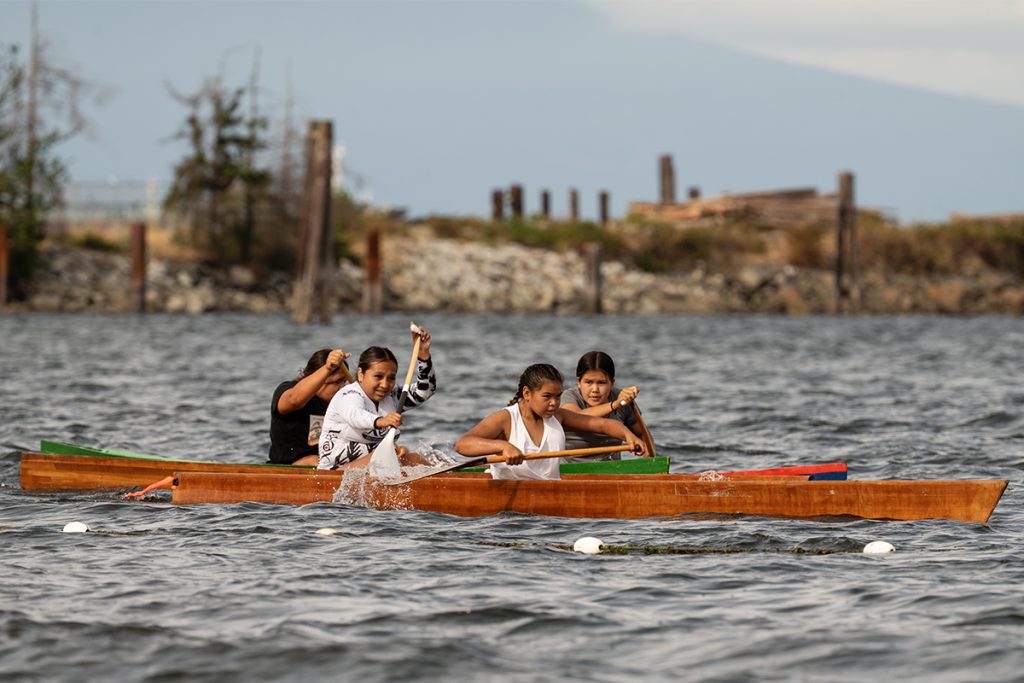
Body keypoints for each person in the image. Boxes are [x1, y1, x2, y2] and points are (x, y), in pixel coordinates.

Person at [454, 363, 645, 480]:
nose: (554, 403)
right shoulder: (506, 418)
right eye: (547, 397)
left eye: (558, 396)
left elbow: (603, 425)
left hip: (551, 495)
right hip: (508, 509)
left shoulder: (559, 416)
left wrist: (629, 436)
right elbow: (462, 444)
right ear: (527, 393)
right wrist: (503, 446)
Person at [317, 326, 435, 470]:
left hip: (373, 465)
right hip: (334, 472)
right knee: (381, 459)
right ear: (361, 374)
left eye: (391, 378)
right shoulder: (348, 395)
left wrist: (423, 356)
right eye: (378, 376)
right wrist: (381, 421)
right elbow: (355, 415)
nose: (385, 385)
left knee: (414, 458)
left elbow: (425, 391)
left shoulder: (393, 395)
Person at [269, 348, 352, 466]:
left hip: (326, 464)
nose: (342, 387)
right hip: (287, 468)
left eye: (344, 381)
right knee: (315, 461)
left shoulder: (342, 403)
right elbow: (294, 400)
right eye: (337, 381)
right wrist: (327, 368)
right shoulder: (289, 389)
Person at [560, 350, 644, 461]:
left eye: (601, 383)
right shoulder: (569, 396)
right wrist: (615, 404)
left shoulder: (623, 399)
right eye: (588, 382)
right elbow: (577, 416)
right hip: (572, 470)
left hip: (611, 470)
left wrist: (652, 468)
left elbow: (643, 436)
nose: (595, 390)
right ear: (579, 382)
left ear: (612, 383)